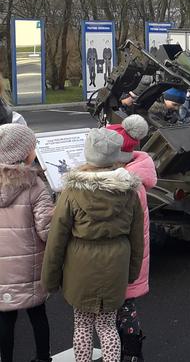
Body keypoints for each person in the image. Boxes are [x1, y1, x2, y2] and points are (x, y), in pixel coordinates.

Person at [42, 128, 144, 362]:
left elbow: (57, 237)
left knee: (82, 325)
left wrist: (50, 278)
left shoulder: (72, 191)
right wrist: (132, 272)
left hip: (81, 263)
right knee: (108, 327)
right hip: (116, 262)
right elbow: (137, 237)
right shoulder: (129, 191)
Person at [0, 124, 54, 362]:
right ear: (24, 153)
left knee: (5, 319)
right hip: (30, 266)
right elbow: (47, 231)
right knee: (38, 314)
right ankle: (43, 357)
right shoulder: (35, 185)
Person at [106, 115, 157, 362]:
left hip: (120, 257)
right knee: (126, 308)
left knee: (119, 310)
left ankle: (129, 351)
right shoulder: (137, 178)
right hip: (133, 256)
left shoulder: (125, 186)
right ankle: (132, 350)